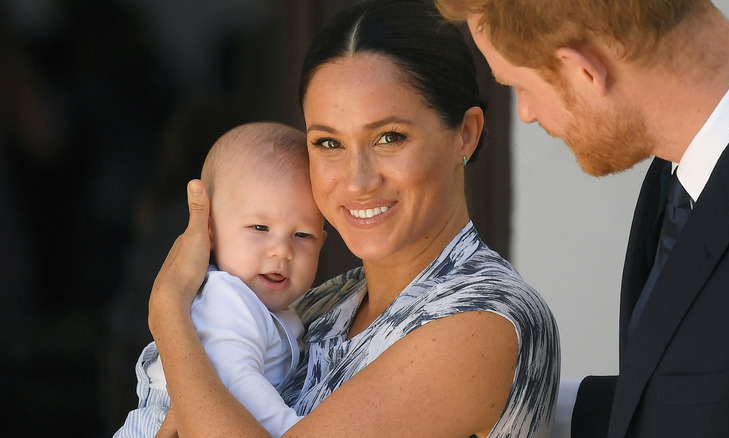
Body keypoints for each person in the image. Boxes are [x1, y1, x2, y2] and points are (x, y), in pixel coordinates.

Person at [147, 0, 560, 437]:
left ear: (466, 134)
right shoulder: (320, 305)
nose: (358, 180)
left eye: (389, 137)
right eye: (328, 143)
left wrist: (169, 310)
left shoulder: (484, 319)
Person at [435, 0, 729, 437]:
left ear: (584, 71)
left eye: (520, 86)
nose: (527, 112)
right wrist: (504, 399)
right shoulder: (686, 163)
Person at [114, 121, 327, 438]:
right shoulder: (227, 299)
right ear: (209, 232)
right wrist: (294, 430)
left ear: (322, 242)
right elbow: (236, 381)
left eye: (302, 235)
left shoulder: (271, 306)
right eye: (259, 228)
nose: (282, 250)